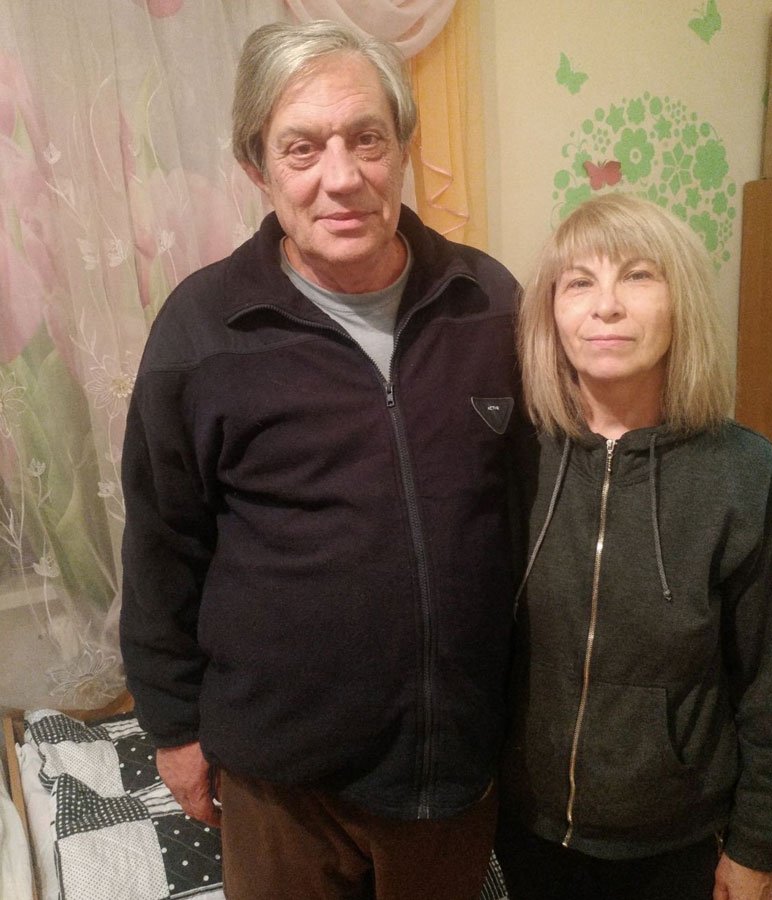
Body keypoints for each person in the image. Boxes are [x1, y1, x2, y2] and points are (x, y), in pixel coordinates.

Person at [119, 19, 534, 900]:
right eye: (301, 148)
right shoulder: (201, 330)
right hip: (280, 783)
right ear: (257, 168)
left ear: (404, 147)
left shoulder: (490, 303)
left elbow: (536, 515)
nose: (341, 178)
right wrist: (174, 728)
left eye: (367, 139)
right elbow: (161, 543)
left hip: (452, 769)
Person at [496, 193, 772, 900]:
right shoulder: (514, 457)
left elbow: (770, 683)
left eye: (637, 275)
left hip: (677, 841)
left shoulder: (743, 473)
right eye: (579, 282)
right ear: (551, 313)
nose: (606, 306)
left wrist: (759, 847)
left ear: (680, 301)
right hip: (524, 826)